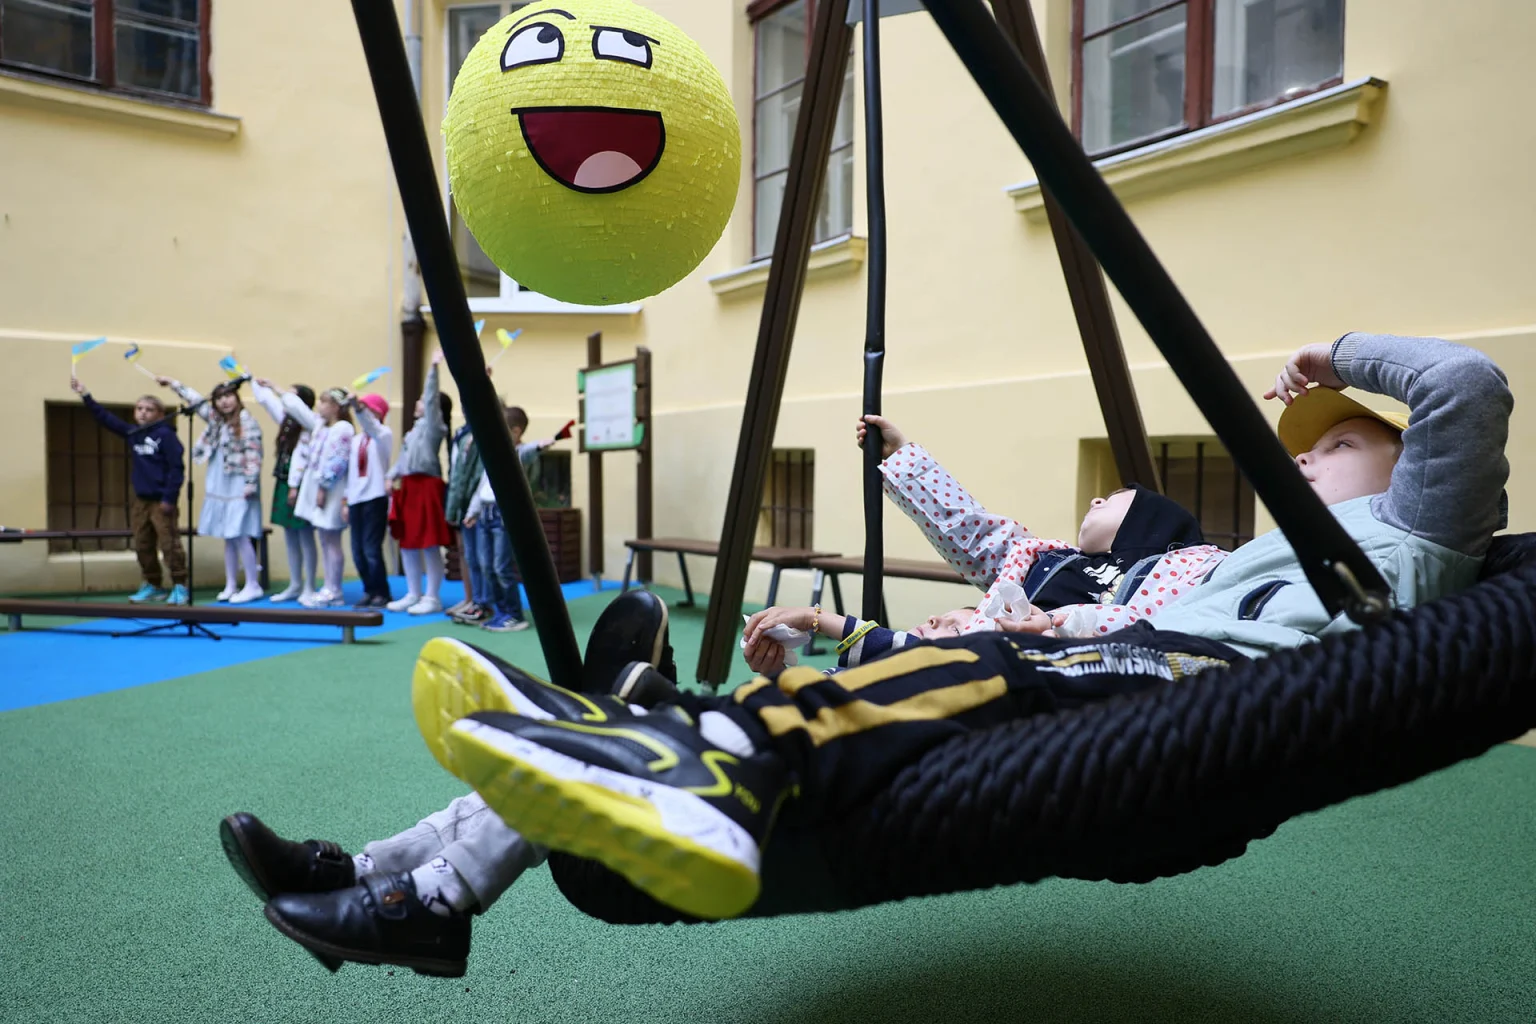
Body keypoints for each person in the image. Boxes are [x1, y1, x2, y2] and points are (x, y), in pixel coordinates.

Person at [425, 333, 1514, 923]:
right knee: (947, 682)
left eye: (1336, 444)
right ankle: (443, 862)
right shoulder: (1231, 560)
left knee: (987, 665)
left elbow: (1465, 385)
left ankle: (688, 741)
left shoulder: (1401, 541)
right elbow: (995, 541)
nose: (1304, 455)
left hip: (1182, 689)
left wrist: (1337, 357)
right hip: (1072, 669)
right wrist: (897, 470)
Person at [218, 590, 679, 978]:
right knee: (599, 725)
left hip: (716, 840)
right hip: (647, 820)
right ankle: (370, 873)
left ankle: (436, 896)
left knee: (604, 734)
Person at [70, 375, 188, 605]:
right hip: (141, 500)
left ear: (160, 414)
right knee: (142, 544)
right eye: (139, 408)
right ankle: (153, 585)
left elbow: (177, 469)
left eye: (149, 409)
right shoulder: (133, 433)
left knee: (169, 544)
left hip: (162, 500)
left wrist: (169, 498)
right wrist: (85, 395)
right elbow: (106, 419)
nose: (143, 413)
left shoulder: (166, 436)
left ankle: (180, 585)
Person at [159, 375, 265, 603]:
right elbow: (197, 402)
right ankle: (231, 584)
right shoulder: (217, 420)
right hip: (220, 479)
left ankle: (253, 583)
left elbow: (254, 453)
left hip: (238, 480)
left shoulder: (246, 420)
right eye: (219, 398)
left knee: (240, 533)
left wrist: (251, 482)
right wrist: (175, 384)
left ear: (236, 398)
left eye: (228, 396)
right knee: (228, 536)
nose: (224, 402)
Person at [461, 406, 562, 632]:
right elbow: (482, 486)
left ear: (515, 432)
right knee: (487, 566)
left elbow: (527, 452)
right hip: (485, 514)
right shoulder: (493, 452)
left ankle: (514, 615)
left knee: (501, 566)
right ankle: (501, 612)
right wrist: (472, 511)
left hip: (502, 516)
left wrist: (539, 445)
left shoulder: (515, 454)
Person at [386, 352, 452, 615]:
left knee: (429, 543)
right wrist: (391, 476)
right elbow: (403, 460)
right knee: (408, 542)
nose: (417, 402)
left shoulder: (434, 427)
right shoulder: (413, 432)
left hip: (427, 487)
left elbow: (431, 395)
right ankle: (413, 593)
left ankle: (432, 596)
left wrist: (434, 366)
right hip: (409, 488)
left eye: (423, 401)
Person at [252, 379, 319, 604]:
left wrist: (279, 389)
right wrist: (254, 382)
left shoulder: (311, 423)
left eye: (293, 397)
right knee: (290, 534)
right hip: (284, 481)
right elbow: (269, 403)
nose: (286, 401)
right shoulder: (288, 423)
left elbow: (291, 405)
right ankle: (295, 584)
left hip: (301, 484)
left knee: (305, 535)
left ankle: (310, 586)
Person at [288, 389, 355, 608]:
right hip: (323, 488)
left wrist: (323, 487)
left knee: (332, 539)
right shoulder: (323, 427)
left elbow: (338, 461)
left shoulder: (343, 428)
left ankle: (334, 589)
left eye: (325, 403)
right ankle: (328, 586)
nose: (320, 407)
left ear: (336, 406)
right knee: (325, 540)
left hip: (333, 490)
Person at [345, 392, 395, 609]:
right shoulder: (356, 440)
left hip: (375, 496)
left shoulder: (383, 435)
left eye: (368, 409)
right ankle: (368, 588)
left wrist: (357, 407)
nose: (362, 414)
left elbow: (371, 425)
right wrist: (345, 500)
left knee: (371, 548)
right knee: (357, 550)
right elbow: (350, 472)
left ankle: (381, 591)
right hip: (357, 497)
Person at [443, 414, 489, 625]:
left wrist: (472, 508)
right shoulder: (463, 435)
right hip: (463, 502)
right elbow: (457, 474)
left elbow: (479, 476)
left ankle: (483, 602)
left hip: (478, 504)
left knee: (482, 557)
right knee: (467, 554)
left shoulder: (484, 434)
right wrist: (454, 507)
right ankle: (471, 599)